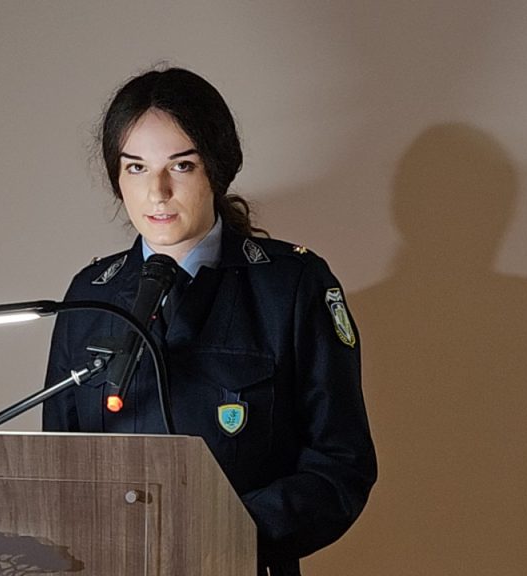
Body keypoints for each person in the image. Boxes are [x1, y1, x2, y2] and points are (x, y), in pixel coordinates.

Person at [42, 67, 377, 576]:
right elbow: (57, 464)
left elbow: (341, 463)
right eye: (135, 168)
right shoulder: (91, 295)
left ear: (215, 170)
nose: (157, 192)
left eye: (181, 166)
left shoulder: (290, 286)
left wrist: (222, 531)